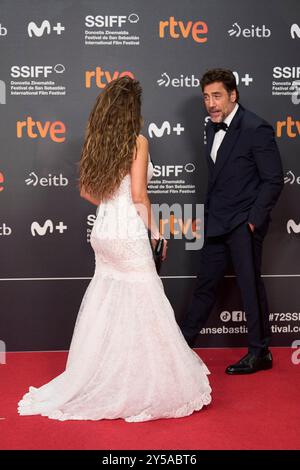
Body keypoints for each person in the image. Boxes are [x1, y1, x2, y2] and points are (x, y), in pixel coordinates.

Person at [18, 76, 211, 422]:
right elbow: (139, 197)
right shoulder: (137, 142)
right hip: (126, 232)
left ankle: (103, 374)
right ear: (132, 110)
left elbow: (87, 193)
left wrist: (112, 203)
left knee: (107, 299)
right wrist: (158, 233)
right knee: (147, 299)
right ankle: (140, 382)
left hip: (103, 230)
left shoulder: (99, 142)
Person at [180, 68, 284, 375]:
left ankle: (259, 351)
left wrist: (252, 221)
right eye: (206, 97)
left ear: (233, 95)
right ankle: (181, 346)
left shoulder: (255, 127)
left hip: (242, 223)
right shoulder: (211, 128)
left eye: (217, 96)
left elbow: (273, 179)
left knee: (249, 286)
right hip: (215, 222)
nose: (211, 103)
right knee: (205, 286)